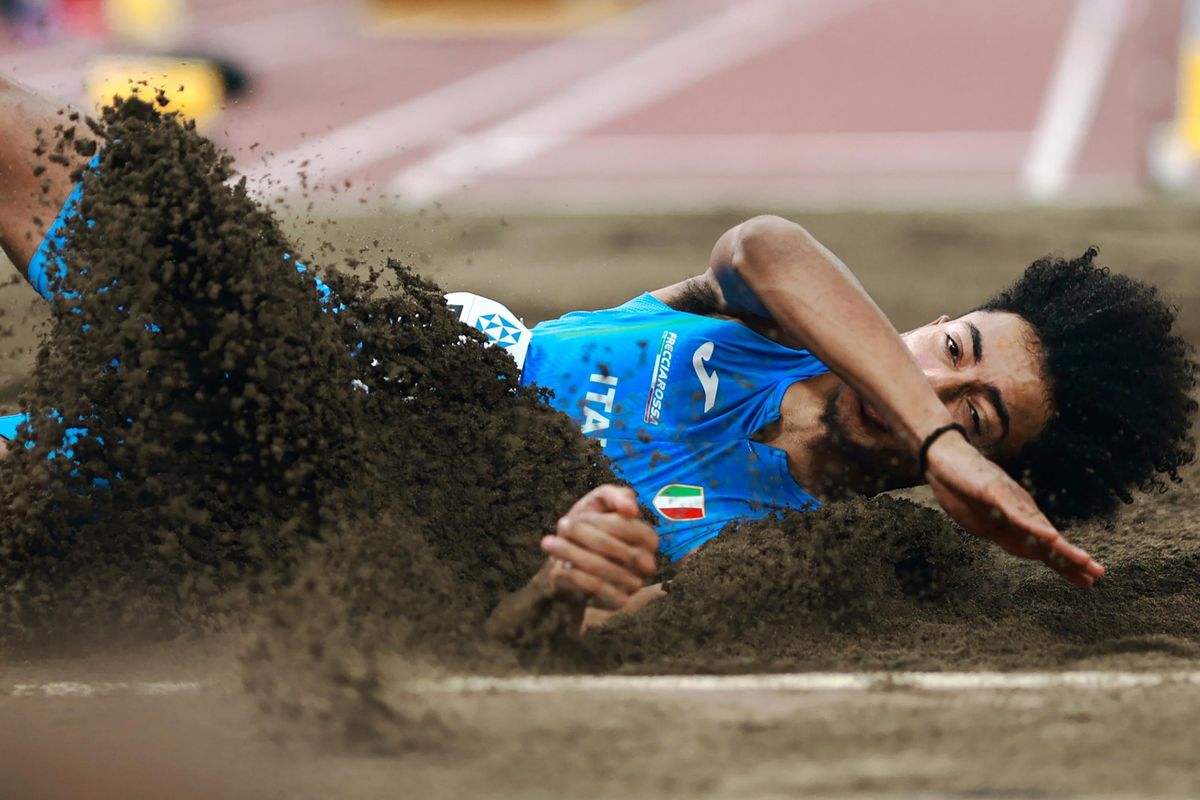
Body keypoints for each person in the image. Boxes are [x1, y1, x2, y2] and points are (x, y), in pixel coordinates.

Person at [0, 75, 1195, 637]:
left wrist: (578, 586)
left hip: (309, 479)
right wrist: (941, 430)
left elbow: (537, 624)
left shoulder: (813, 548)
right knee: (27, 135)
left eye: (980, 418)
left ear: (991, 497)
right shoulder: (774, 322)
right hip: (307, 347)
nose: (936, 382)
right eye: (956, 346)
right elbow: (767, 242)